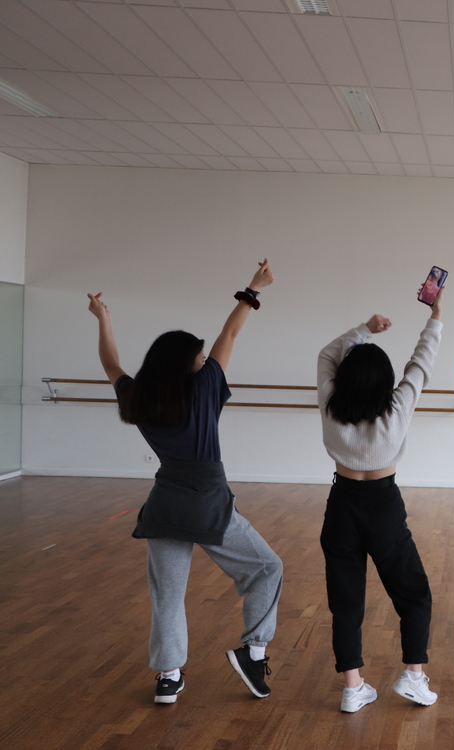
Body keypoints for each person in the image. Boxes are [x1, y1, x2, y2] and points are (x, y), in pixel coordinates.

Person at [87, 259, 283, 706]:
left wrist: (105, 320)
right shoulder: (205, 388)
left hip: (165, 507)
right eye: (198, 356)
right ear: (188, 365)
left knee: (168, 596)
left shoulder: (139, 398)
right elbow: (229, 335)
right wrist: (254, 287)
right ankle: (254, 653)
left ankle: (169, 678)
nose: (204, 359)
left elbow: (110, 363)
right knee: (267, 568)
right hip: (209, 502)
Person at [316, 286, 445, 713]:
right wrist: (435, 315)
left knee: (346, 600)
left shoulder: (331, 405)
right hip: (383, 506)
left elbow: (326, 356)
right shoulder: (397, 409)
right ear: (386, 383)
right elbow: (420, 363)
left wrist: (364, 331)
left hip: (342, 505)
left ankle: (353, 689)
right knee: (415, 594)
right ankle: (412, 676)